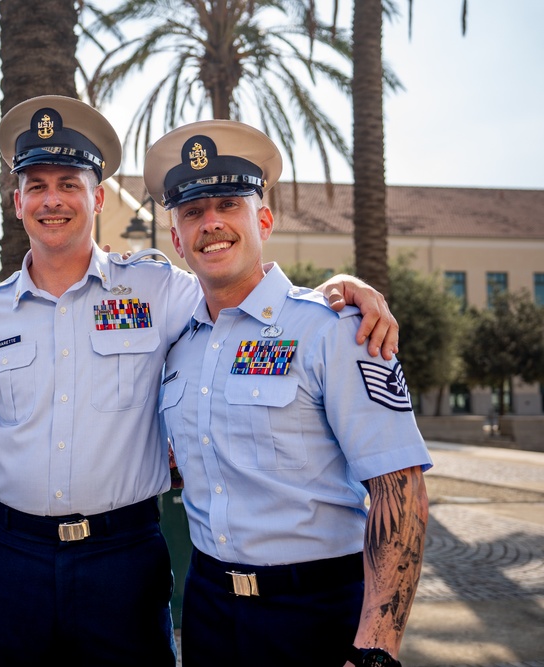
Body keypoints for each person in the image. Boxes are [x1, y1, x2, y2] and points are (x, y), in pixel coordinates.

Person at [0, 95, 399, 666]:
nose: (52, 199)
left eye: (69, 182)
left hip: (123, 557)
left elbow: (245, 294)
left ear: (96, 198)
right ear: (17, 203)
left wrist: (340, 289)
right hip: (12, 556)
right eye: (36, 185)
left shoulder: (159, 290)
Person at [147, 120, 431, 667]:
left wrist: (376, 650)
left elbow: (402, 490)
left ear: (264, 220)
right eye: (191, 213)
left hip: (318, 613)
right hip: (207, 608)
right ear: (178, 240)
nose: (211, 223)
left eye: (228, 204)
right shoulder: (180, 347)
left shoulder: (335, 330)